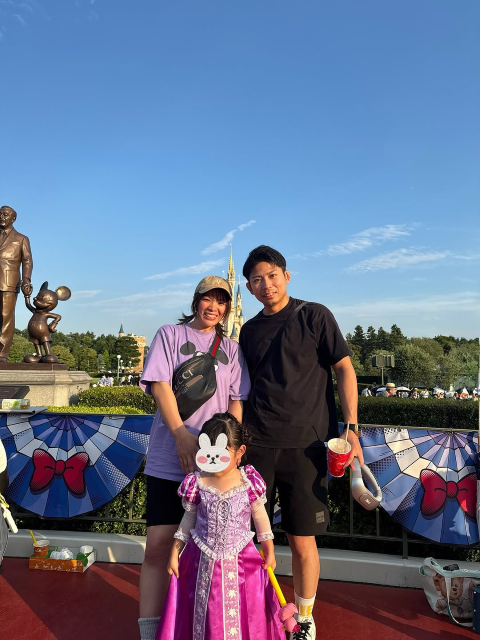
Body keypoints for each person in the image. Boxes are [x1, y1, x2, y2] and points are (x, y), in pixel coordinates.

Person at [239, 246, 363, 640]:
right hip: (256, 445)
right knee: (248, 539)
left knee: (302, 539)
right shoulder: (248, 330)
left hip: (307, 446)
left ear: (286, 276)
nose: (266, 284)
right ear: (249, 288)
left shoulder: (315, 315)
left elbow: (344, 369)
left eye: (272, 275)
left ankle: (304, 617)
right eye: (257, 280)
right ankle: (253, 612)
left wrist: (351, 427)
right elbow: (240, 390)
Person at [138, 276, 250, 640]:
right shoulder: (169, 335)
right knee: (159, 546)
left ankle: (191, 627)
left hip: (214, 467)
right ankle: (150, 632)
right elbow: (160, 385)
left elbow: (236, 401)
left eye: (221, 301)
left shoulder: (231, 348)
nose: (214, 307)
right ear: (196, 300)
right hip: (170, 459)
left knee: (205, 553)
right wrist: (181, 436)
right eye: (208, 299)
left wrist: (230, 451)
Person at [156, 412, 284, 640]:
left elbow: (261, 518)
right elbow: (188, 519)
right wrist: (175, 552)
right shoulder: (198, 482)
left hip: (243, 562)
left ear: (240, 451)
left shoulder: (248, 481)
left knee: (245, 612)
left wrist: (270, 550)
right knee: (205, 610)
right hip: (201, 562)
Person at [0, 206, 33, 361]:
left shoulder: (21, 238)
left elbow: (27, 261)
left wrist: (26, 279)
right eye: (0, 213)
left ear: (13, 219)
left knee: (5, 317)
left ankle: (2, 352)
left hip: (9, 282)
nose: (1, 216)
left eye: (5, 215)